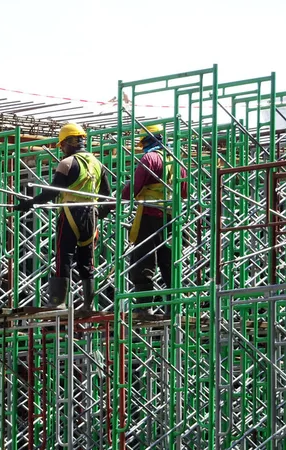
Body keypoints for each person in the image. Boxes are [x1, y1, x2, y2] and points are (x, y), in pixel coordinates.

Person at [14, 123, 112, 311]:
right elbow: (107, 195)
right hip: (91, 214)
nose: (62, 150)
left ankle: (58, 301)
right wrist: (100, 213)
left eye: (62, 146)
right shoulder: (98, 164)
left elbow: (51, 193)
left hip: (70, 213)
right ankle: (88, 304)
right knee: (87, 260)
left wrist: (29, 203)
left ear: (68, 143)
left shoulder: (67, 163)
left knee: (64, 255)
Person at [122, 124, 187, 319]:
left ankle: (144, 306)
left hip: (149, 216)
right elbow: (183, 192)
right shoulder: (178, 163)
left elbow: (135, 186)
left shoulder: (149, 158)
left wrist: (117, 201)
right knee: (169, 261)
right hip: (171, 217)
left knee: (142, 259)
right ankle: (173, 307)